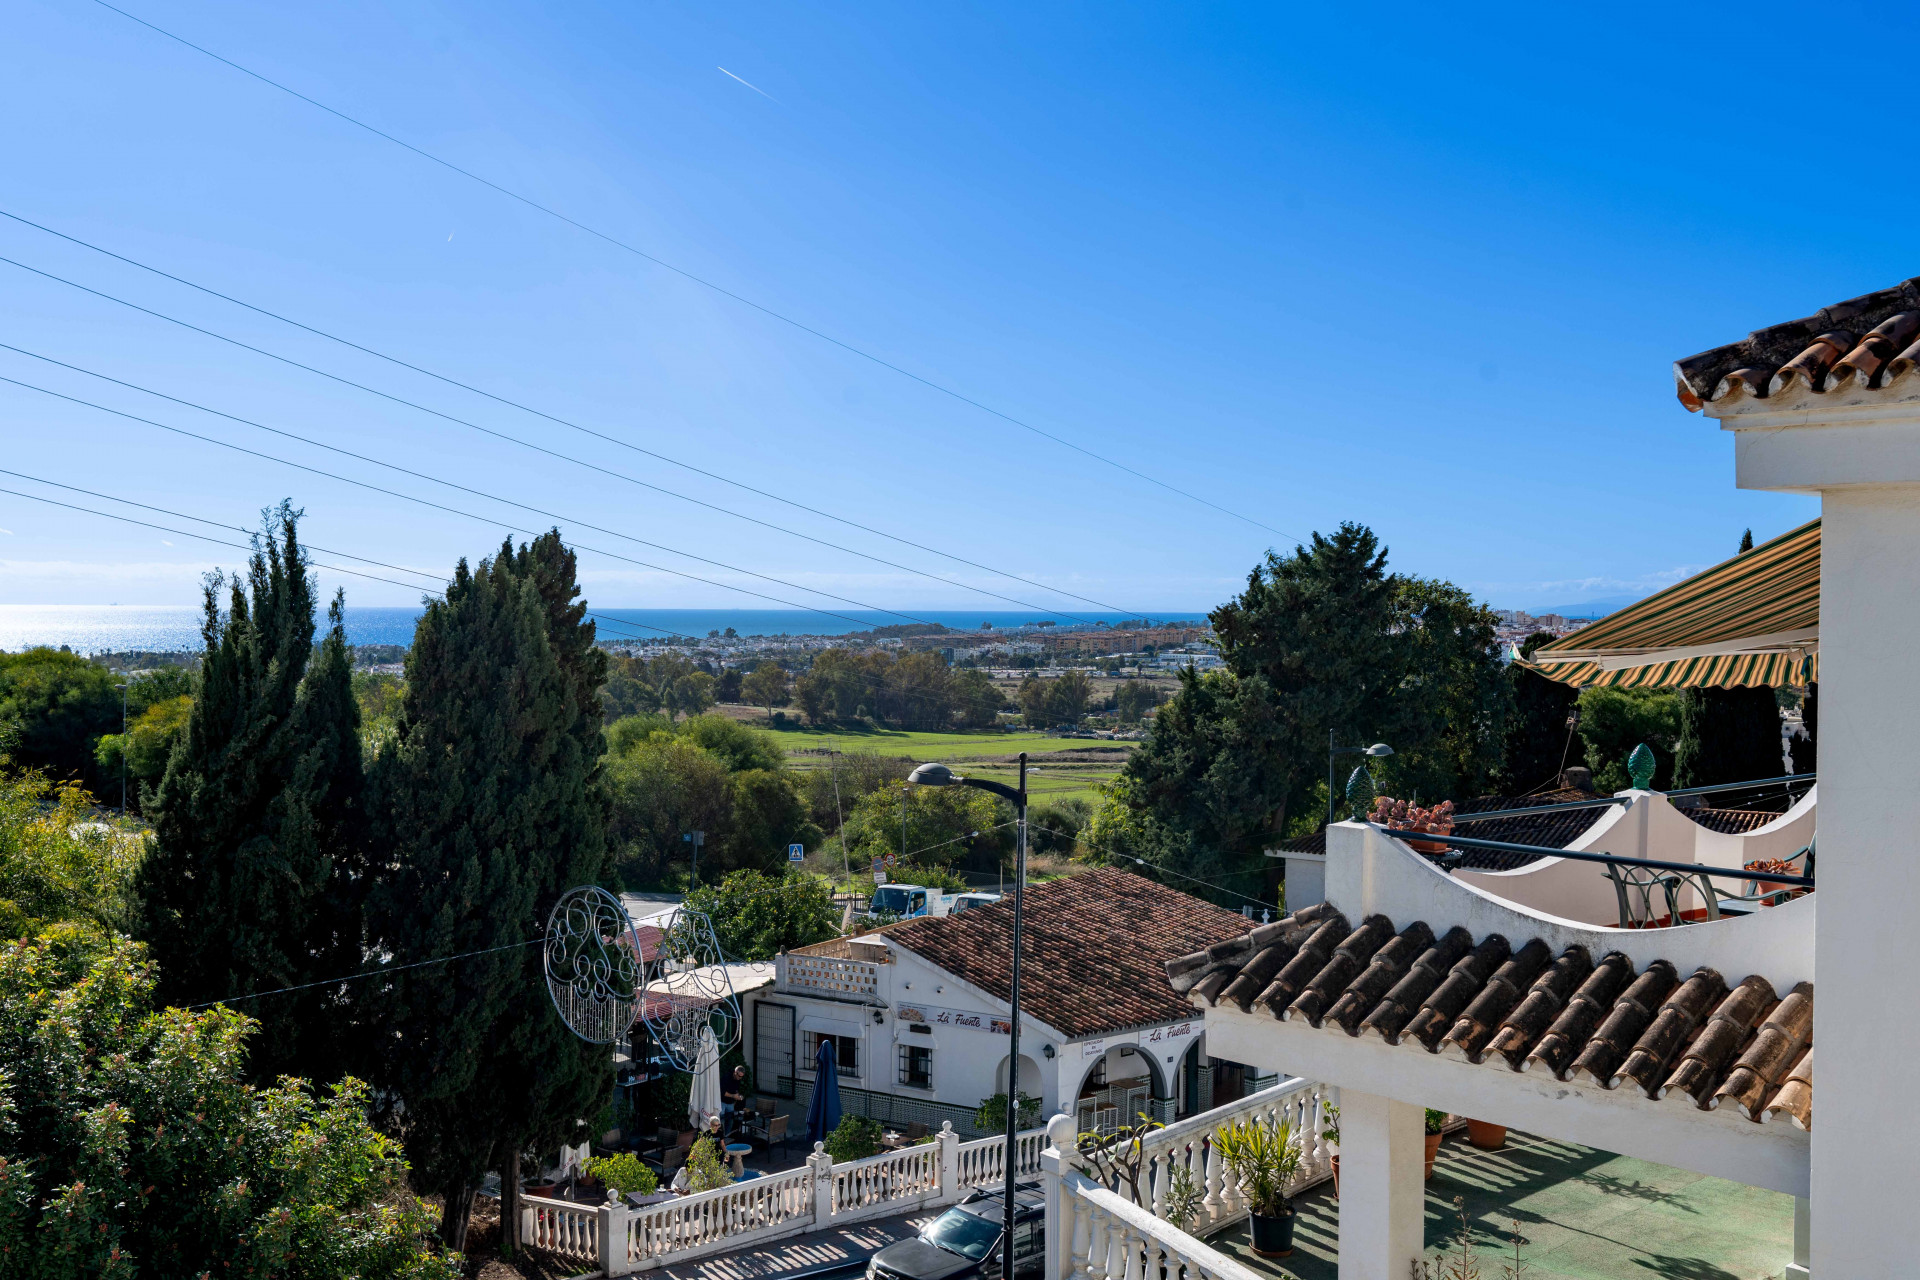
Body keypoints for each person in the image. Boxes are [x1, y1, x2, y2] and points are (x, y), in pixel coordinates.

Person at [722, 1065, 748, 1133]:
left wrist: (739, 1096)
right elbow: (722, 1092)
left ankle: (727, 1136)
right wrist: (733, 1096)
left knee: (730, 1120)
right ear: (735, 1072)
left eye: (742, 1076)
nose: (740, 1078)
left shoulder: (738, 1080)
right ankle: (721, 1137)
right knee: (721, 1119)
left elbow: (736, 1090)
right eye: (739, 1076)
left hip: (730, 1103)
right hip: (722, 1102)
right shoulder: (726, 1077)